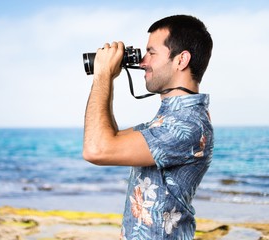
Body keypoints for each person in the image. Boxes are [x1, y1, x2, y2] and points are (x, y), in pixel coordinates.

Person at [82, 15, 214, 239]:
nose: (143, 62)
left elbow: (96, 149)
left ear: (181, 60)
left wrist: (102, 75)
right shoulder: (167, 120)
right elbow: (108, 137)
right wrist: (108, 77)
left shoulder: (186, 124)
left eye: (151, 53)